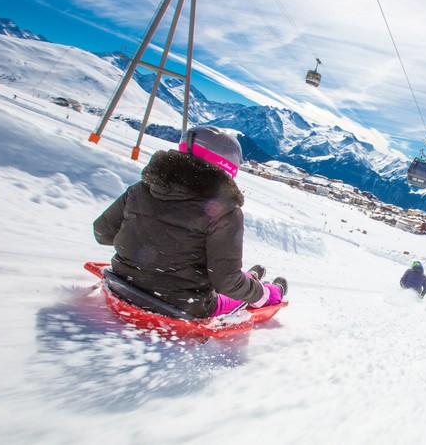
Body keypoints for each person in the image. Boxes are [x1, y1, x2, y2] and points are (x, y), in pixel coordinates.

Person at [93, 125, 287, 319]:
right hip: (181, 305)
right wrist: (261, 295)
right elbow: (225, 281)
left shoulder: (141, 189)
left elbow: (102, 232)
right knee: (246, 289)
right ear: (228, 166)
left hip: (122, 284)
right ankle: (270, 292)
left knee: (230, 278)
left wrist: (145, 253)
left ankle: (248, 280)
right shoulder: (224, 211)